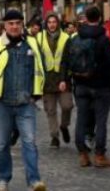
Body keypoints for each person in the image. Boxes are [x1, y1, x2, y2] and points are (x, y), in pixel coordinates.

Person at [0, 9, 46, 191]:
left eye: (18, 23)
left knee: (30, 142)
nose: (14, 26)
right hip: (3, 104)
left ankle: (34, 180)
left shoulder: (31, 44)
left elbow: (41, 68)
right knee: (2, 144)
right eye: (11, 23)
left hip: (26, 104)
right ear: (4, 26)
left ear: (22, 24)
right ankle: (3, 178)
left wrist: (36, 94)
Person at [59, 6, 110, 168]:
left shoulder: (75, 38)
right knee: (101, 121)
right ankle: (99, 155)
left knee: (81, 119)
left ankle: (83, 154)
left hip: (81, 84)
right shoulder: (103, 38)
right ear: (99, 18)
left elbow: (66, 60)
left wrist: (65, 79)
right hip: (100, 85)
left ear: (86, 19)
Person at [35, 13, 73, 148]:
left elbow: (68, 60)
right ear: (46, 24)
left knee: (67, 105)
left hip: (63, 78)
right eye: (49, 22)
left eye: (54, 22)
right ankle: (54, 137)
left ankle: (64, 126)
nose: (52, 24)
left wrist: (65, 78)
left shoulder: (66, 38)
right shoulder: (39, 38)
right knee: (50, 110)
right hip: (47, 79)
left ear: (58, 23)